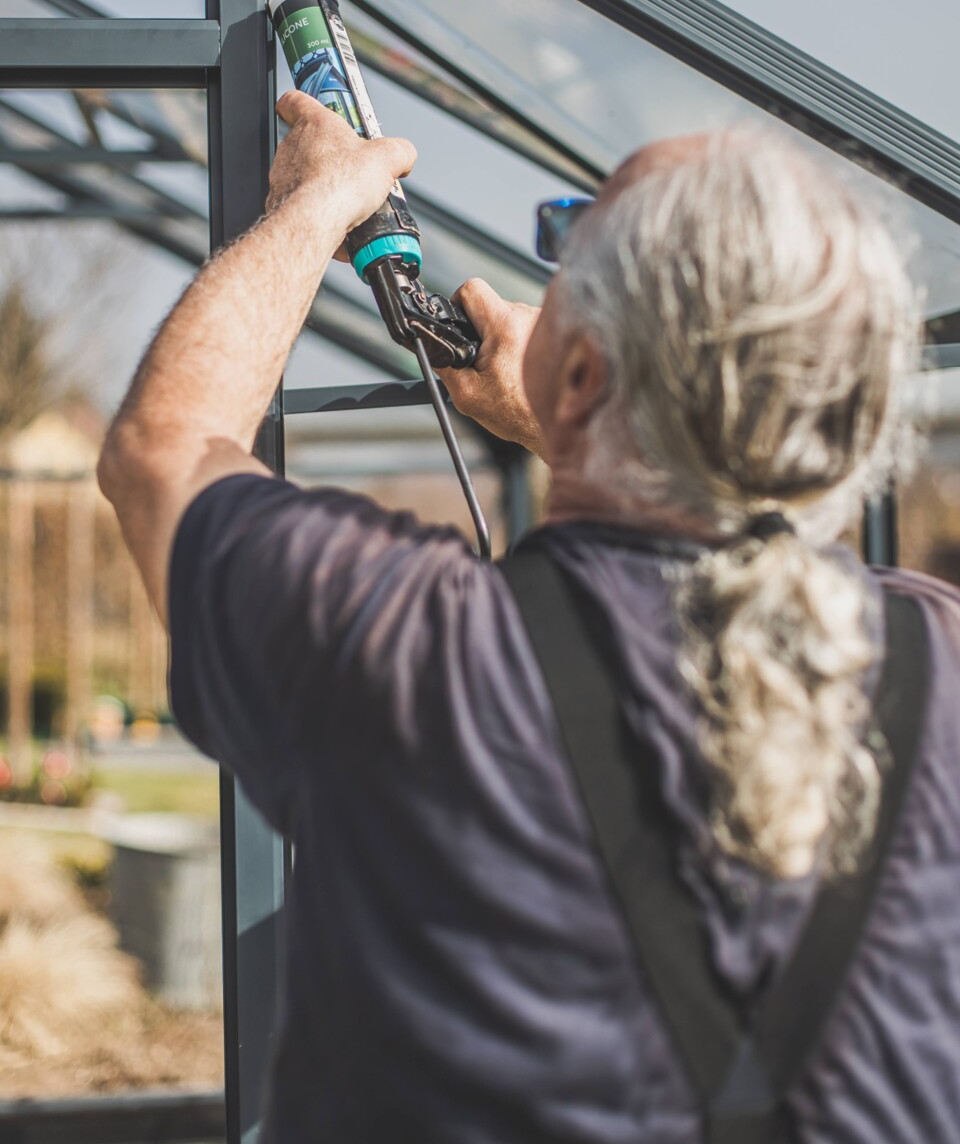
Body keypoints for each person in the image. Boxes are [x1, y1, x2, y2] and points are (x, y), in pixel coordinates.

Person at [98, 92, 960, 1143]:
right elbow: (744, 566)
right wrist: (589, 426)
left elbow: (166, 449)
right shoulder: (937, 657)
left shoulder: (413, 647)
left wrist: (321, 202)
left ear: (586, 371)